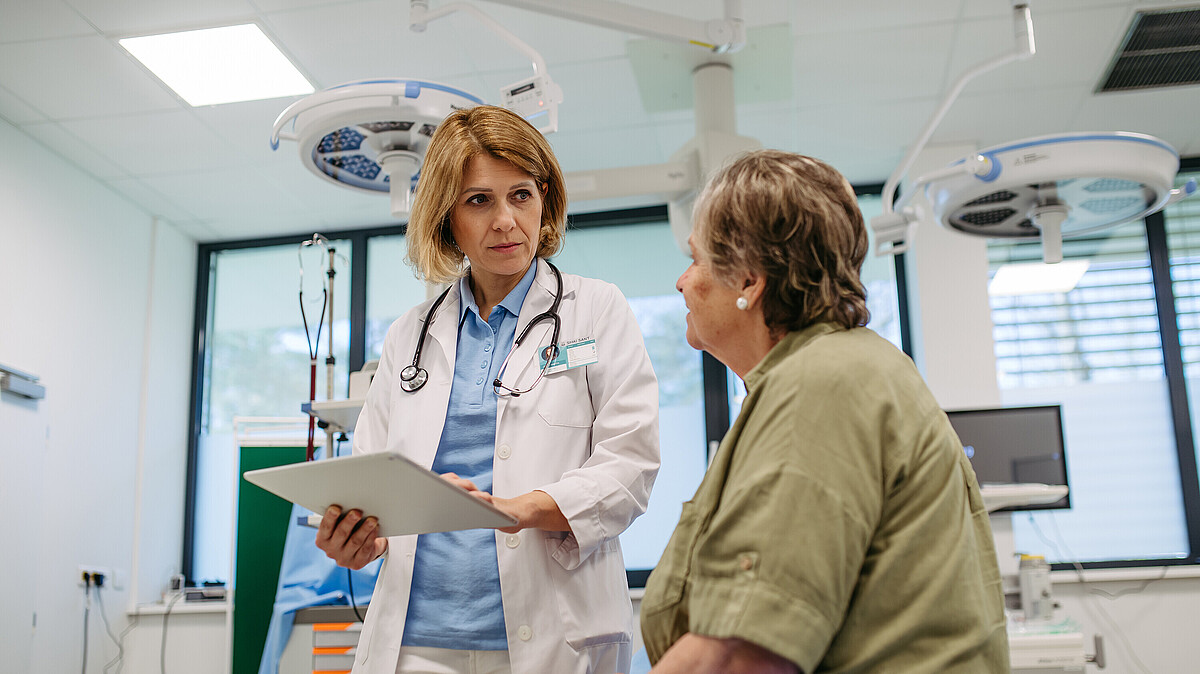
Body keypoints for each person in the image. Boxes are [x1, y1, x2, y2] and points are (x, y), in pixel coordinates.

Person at [315, 105, 660, 674]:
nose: (505, 220)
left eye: (520, 195)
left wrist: (515, 510)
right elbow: (374, 484)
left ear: (544, 197)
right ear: (447, 217)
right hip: (415, 645)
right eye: (478, 200)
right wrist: (360, 539)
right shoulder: (409, 335)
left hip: (555, 636)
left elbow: (630, 466)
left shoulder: (596, 310)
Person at [639, 149, 1009, 673]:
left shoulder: (821, 385)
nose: (682, 281)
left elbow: (741, 655)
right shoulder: (832, 370)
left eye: (696, 259)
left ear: (748, 282)